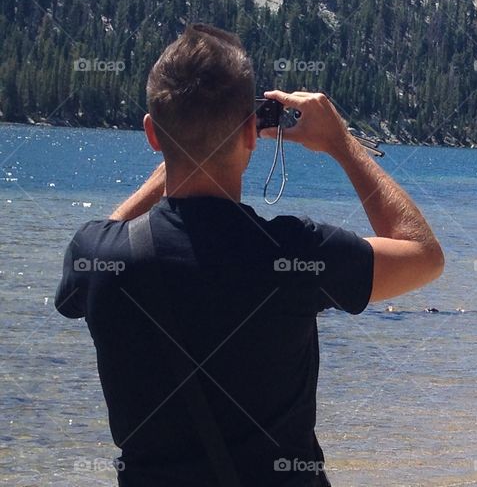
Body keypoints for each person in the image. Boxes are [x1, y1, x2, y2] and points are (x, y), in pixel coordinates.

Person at [55, 24, 444, 486]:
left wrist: (183, 149)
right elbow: (423, 253)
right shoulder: (297, 254)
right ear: (252, 133)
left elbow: (89, 267)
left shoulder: (100, 257)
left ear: (152, 135)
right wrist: (343, 144)